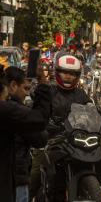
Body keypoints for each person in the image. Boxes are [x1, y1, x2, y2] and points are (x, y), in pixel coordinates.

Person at [29, 55, 92, 201]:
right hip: (49, 138)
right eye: (65, 72)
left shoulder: (80, 93)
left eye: (72, 74)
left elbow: (92, 109)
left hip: (73, 139)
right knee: (36, 174)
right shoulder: (50, 90)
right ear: (57, 72)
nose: (68, 76)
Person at [0, 60, 51, 202]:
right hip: (13, 183)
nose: (27, 93)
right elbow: (39, 131)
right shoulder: (9, 111)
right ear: (12, 86)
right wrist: (42, 82)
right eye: (25, 88)